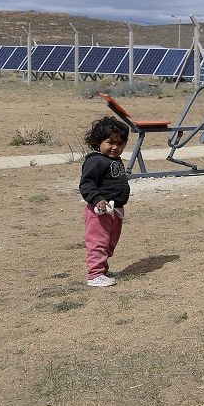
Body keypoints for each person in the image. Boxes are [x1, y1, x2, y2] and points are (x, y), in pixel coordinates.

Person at [79, 116, 131, 287]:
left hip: (115, 210)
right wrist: (98, 199)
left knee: (109, 242)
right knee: (98, 242)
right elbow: (87, 184)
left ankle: (103, 270)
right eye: (110, 142)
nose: (115, 147)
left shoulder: (113, 160)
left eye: (120, 143)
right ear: (98, 141)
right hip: (100, 211)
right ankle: (94, 275)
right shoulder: (95, 161)